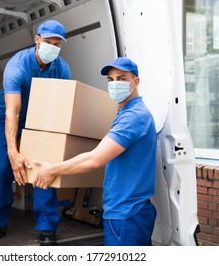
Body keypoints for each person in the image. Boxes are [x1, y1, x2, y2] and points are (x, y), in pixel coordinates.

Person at [32, 57, 157, 246]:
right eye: (110, 80)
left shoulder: (133, 117)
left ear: (136, 82)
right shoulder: (126, 113)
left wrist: (52, 170)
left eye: (121, 79)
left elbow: (95, 159)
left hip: (126, 213)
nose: (115, 84)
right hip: (131, 211)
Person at [0, 20, 71, 245]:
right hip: (7, 116)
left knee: (43, 167)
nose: (52, 47)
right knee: (4, 165)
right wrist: (14, 153)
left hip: (38, 119)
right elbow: (12, 113)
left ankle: (46, 227)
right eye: (47, 42)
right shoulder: (18, 65)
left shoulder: (61, 69)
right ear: (37, 39)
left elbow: (61, 106)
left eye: (57, 44)